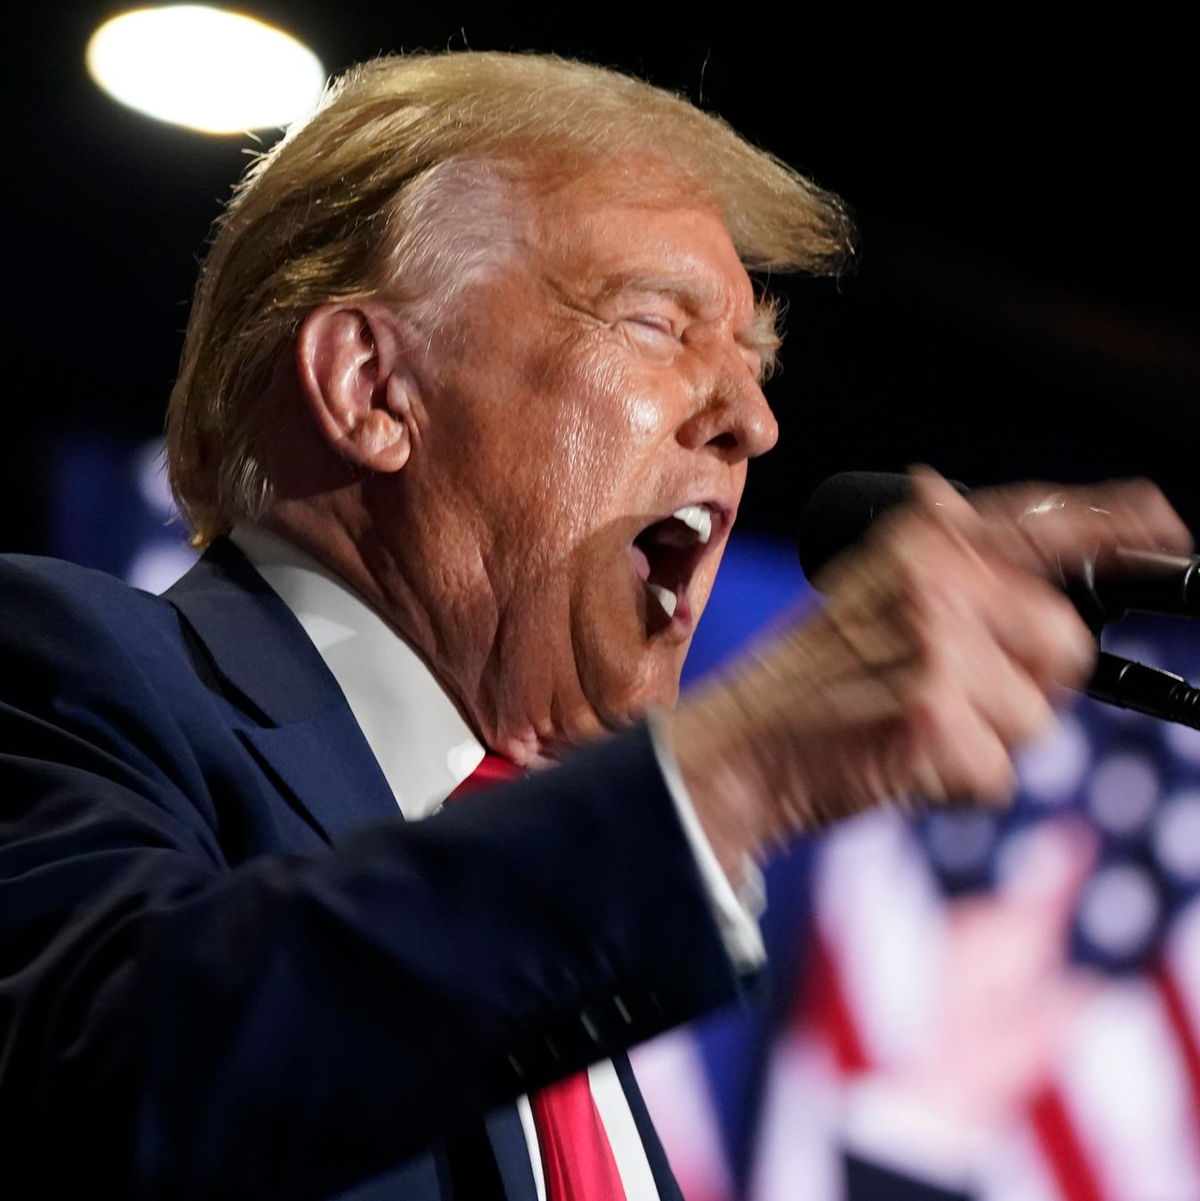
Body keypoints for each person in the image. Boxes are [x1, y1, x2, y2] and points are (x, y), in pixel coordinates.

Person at [0, 50, 1189, 1201]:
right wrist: (733, 770)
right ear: (371, 389)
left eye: (756, 358)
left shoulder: (552, 948)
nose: (756, 422)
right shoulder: (60, 664)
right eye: (662, 325)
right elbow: (107, 1089)